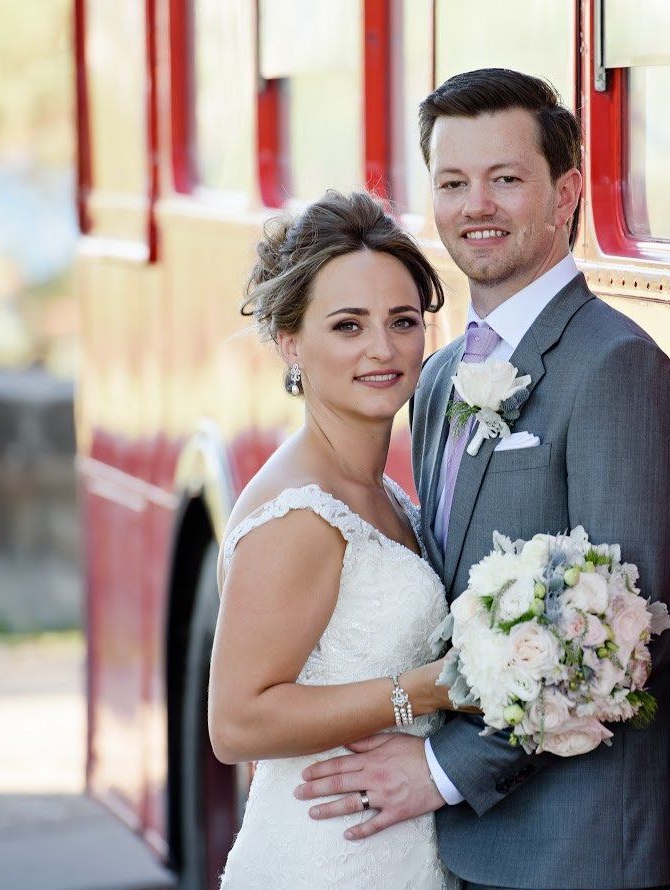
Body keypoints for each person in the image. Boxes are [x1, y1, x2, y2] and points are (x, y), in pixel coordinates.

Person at [296, 69, 670, 890]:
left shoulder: (615, 369)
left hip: (573, 851)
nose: (476, 206)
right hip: (457, 847)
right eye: (453, 183)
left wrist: (440, 773)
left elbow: (630, 637)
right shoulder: (438, 376)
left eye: (506, 180)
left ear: (566, 191)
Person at [210, 190, 460, 889]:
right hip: (325, 861)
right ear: (292, 343)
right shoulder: (300, 514)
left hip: (392, 849)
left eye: (402, 321)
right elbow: (236, 722)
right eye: (348, 326)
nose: (383, 349)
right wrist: (428, 691)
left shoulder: (384, 494)